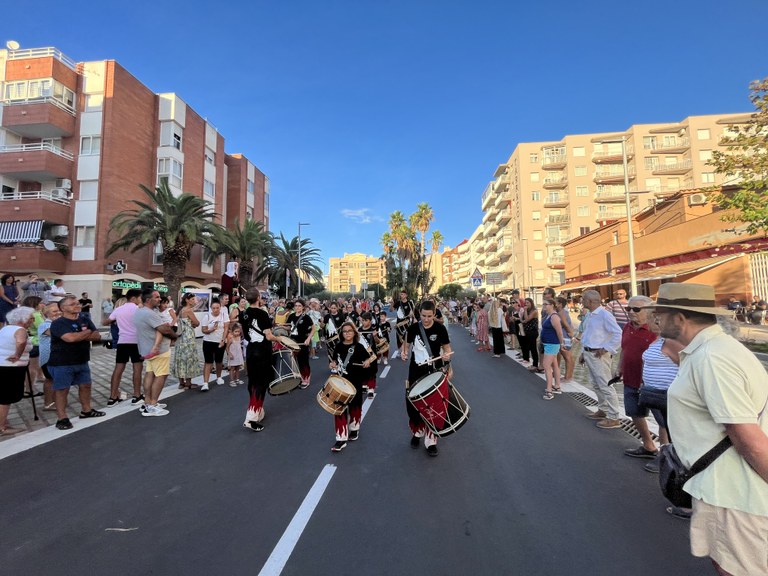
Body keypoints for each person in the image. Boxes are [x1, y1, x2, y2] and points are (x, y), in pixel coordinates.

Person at [645, 283, 768, 575]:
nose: (655, 321)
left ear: (680, 319)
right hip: (726, 490)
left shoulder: (712, 358)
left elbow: (748, 438)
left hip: (734, 495)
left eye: (660, 314)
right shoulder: (710, 351)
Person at [401, 300, 452, 457]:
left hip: (434, 371)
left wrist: (447, 361)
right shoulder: (414, 328)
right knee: (415, 404)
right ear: (420, 314)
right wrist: (404, 352)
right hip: (416, 371)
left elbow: (447, 349)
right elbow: (407, 345)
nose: (426, 319)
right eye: (423, 316)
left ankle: (431, 440)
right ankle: (417, 433)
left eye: (429, 316)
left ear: (434, 313)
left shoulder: (440, 328)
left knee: (434, 405)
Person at [47, 296, 105, 431]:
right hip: (61, 362)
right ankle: (62, 418)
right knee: (62, 390)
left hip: (82, 360)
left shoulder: (84, 319)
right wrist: (87, 332)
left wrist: (82, 334)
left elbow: (97, 336)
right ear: (63, 308)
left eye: (77, 303)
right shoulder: (58, 323)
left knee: (86, 386)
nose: (77, 305)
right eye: (72, 304)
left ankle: (86, 410)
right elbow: (70, 339)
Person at [615, 295, 660, 457]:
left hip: (651, 384)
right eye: (629, 309)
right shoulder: (627, 327)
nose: (631, 312)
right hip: (630, 378)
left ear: (649, 311)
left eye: (636, 309)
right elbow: (624, 349)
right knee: (634, 412)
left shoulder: (656, 331)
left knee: (661, 420)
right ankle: (649, 445)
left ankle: (666, 456)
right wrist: (620, 368)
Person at [328, 321, 376, 452]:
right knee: (339, 409)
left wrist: (367, 362)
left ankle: (354, 428)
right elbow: (333, 361)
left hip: (355, 382)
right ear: (341, 333)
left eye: (350, 331)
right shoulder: (338, 346)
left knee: (355, 408)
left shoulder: (359, 347)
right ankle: (341, 438)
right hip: (341, 382)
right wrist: (332, 364)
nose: (347, 333)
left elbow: (370, 360)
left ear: (354, 332)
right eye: (344, 331)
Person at [579, 289, 623, 429]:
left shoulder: (604, 315)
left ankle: (614, 416)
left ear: (590, 301)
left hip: (599, 355)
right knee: (596, 383)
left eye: (584, 299)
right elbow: (588, 335)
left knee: (605, 384)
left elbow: (618, 334)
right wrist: (582, 352)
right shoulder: (591, 315)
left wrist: (606, 348)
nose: (582, 301)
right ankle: (603, 410)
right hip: (590, 353)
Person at [133, 289, 177, 416]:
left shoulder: (139, 312)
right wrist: (175, 336)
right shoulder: (150, 314)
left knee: (150, 374)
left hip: (147, 349)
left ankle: (147, 402)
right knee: (161, 376)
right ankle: (152, 405)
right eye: (157, 297)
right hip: (159, 350)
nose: (159, 299)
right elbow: (165, 329)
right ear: (148, 300)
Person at [240, 289, 278, 432]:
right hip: (262, 352)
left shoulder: (243, 314)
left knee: (253, 383)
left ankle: (258, 411)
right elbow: (268, 336)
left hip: (250, 351)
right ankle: (251, 417)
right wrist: (278, 338)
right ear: (259, 298)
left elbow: (246, 333)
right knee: (261, 384)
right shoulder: (262, 313)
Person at [0, 306, 35, 435]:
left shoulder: (5, 328)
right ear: (23, 319)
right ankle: (2, 427)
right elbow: (20, 342)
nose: (32, 320)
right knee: (6, 397)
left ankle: (2, 421)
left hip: (2, 365)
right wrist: (17, 355)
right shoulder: (20, 330)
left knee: (3, 396)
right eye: (31, 318)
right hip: (11, 368)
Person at [107, 289, 144, 406]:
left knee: (118, 369)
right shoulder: (138, 309)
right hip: (136, 342)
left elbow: (105, 322)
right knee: (137, 369)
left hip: (122, 341)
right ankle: (137, 395)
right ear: (133, 298)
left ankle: (112, 397)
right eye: (139, 298)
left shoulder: (118, 309)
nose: (140, 300)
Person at [172, 293, 202, 390]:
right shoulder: (188, 310)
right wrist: (194, 324)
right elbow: (197, 322)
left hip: (180, 337)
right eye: (192, 299)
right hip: (188, 337)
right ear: (187, 300)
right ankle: (188, 383)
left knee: (180, 358)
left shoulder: (180, 310)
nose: (195, 301)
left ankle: (181, 383)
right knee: (189, 358)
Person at [200, 299, 229, 390]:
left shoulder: (224, 315)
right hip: (208, 341)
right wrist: (211, 329)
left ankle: (219, 377)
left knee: (219, 361)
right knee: (208, 362)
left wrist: (223, 340)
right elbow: (203, 330)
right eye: (214, 308)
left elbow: (226, 328)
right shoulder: (207, 317)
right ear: (211, 308)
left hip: (219, 341)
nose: (216, 310)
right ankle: (205, 383)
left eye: (217, 308)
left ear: (220, 308)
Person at [38, 302, 61, 411]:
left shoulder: (56, 323)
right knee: (50, 380)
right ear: (47, 314)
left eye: (58, 310)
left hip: (56, 357)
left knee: (55, 380)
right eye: (54, 311)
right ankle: (48, 403)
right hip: (48, 358)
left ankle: (55, 401)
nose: (58, 313)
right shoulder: (45, 324)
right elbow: (58, 333)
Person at [287, 299, 315, 389]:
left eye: (299, 306)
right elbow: (289, 327)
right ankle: (300, 377)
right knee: (296, 361)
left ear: (303, 307)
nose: (297, 307)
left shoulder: (306, 317)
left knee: (304, 361)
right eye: (296, 306)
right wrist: (281, 327)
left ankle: (306, 377)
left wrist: (308, 339)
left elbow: (313, 329)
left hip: (303, 341)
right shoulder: (291, 316)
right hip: (293, 342)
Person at [540, 299, 565, 400]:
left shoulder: (554, 317)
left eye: (546, 304)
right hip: (548, 344)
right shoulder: (549, 315)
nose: (544, 306)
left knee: (546, 366)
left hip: (552, 344)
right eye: (543, 304)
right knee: (554, 365)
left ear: (552, 305)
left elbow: (559, 332)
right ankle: (557, 386)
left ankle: (549, 390)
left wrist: (562, 343)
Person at [358, 312, 379, 399]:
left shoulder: (373, 329)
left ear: (370, 321)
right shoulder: (359, 330)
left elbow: (378, 342)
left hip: (371, 354)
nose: (364, 322)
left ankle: (371, 389)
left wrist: (375, 336)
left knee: (371, 372)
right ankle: (364, 386)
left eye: (366, 320)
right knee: (362, 370)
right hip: (361, 354)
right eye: (362, 320)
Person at [520, 298, 541, 372]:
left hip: (532, 332)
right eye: (525, 303)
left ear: (531, 303)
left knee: (533, 348)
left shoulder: (534, 311)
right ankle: (529, 360)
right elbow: (523, 319)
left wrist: (525, 310)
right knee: (528, 346)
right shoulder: (528, 310)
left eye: (528, 302)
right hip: (527, 331)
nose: (526, 304)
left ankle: (535, 365)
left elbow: (527, 319)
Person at [393, 290, 415, 355]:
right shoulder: (398, 303)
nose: (401, 295)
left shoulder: (409, 303)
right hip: (399, 322)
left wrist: (411, 313)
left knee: (405, 336)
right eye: (401, 294)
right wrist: (392, 303)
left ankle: (404, 351)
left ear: (406, 295)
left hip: (407, 322)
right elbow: (391, 310)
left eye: (403, 294)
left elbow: (412, 312)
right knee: (398, 337)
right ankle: (400, 350)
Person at [226, 322, 244, 387]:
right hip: (233, 355)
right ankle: (231, 380)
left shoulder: (239, 338)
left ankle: (237, 379)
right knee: (232, 368)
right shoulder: (231, 339)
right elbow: (227, 348)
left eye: (238, 331)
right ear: (232, 331)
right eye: (235, 331)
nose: (237, 333)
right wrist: (229, 354)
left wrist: (241, 351)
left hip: (238, 354)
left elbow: (239, 345)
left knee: (238, 367)